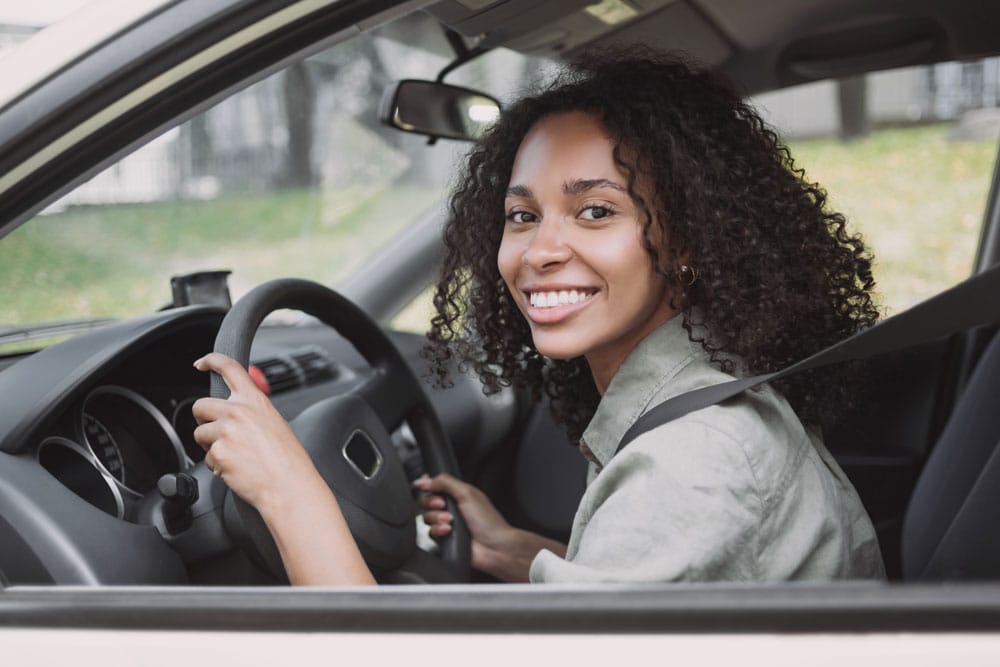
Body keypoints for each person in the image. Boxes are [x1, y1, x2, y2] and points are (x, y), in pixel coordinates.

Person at [192, 48, 886, 585]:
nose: (540, 251)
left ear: (687, 244)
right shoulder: (697, 401)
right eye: (522, 216)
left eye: (595, 211)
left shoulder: (691, 461)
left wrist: (291, 493)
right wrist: (517, 553)